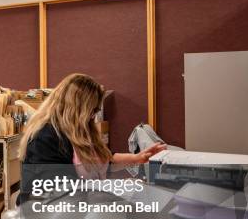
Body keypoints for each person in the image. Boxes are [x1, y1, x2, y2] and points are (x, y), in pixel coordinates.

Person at [20, 73, 165, 177]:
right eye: (93, 109)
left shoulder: (80, 130)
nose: (94, 115)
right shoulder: (46, 137)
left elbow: (103, 160)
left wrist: (137, 158)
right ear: (76, 108)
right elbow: (59, 193)